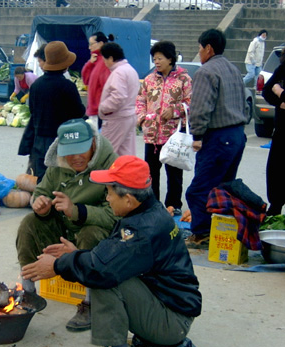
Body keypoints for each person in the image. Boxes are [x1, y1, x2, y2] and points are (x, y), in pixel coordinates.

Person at [21, 155, 202, 347]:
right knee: (103, 264)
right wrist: (77, 254)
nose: (107, 199)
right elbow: (112, 254)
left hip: (171, 322)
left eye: (109, 192)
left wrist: (58, 265)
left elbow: (102, 268)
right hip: (170, 309)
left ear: (128, 199)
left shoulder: (142, 229)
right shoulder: (147, 211)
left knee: (103, 275)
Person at [16, 119, 118, 332]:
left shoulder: (111, 166)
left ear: (93, 144)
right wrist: (40, 204)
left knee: (91, 234)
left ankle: (90, 303)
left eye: (82, 150)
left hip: (96, 236)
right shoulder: (58, 166)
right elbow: (42, 190)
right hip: (63, 229)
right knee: (29, 223)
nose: (76, 158)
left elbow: (115, 214)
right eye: (70, 152)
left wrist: (77, 211)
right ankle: (28, 292)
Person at [185, 29, 247, 248]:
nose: (199, 52)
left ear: (208, 48)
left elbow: (200, 108)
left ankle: (201, 234)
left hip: (218, 137)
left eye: (200, 48)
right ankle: (224, 231)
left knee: (198, 190)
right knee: (224, 188)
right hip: (237, 134)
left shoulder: (206, 72)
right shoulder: (233, 69)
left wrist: (197, 135)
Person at [136, 41, 192, 216]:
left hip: (173, 136)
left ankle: (173, 205)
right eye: (155, 59)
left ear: (170, 58)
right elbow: (140, 101)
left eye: (160, 58)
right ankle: (153, 206)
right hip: (152, 136)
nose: (157, 62)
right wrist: (142, 118)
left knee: (174, 174)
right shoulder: (149, 80)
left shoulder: (184, 79)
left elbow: (191, 104)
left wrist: (175, 111)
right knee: (151, 173)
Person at [18, 41, 85, 181]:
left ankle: (40, 200)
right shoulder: (68, 86)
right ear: (65, 65)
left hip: (39, 139)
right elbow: (79, 112)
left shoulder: (36, 85)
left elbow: (33, 110)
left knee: (41, 177)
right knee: (61, 176)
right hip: (63, 138)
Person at [99, 42, 140, 156]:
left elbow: (118, 97)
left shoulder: (119, 72)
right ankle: (127, 174)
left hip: (117, 118)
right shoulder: (130, 70)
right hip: (129, 116)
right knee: (126, 154)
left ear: (111, 58)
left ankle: (104, 174)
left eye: (105, 59)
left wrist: (103, 108)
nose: (104, 63)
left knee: (105, 154)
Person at [262, 46, 285, 216]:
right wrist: (279, 101)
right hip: (282, 130)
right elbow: (267, 90)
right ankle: (275, 206)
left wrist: (281, 92)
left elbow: (275, 89)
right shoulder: (282, 68)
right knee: (276, 170)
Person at [81, 32, 113, 130]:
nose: (89, 47)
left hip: (100, 111)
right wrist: (89, 64)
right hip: (94, 110)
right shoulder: (95, 60)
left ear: (100, 44)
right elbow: (85, 80)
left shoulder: (105, 62)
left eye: (91, 44)